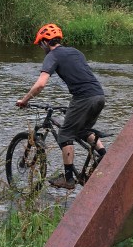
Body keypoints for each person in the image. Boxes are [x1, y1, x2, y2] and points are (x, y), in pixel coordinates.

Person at [16, 23, 106, 190]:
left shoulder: (52, 55)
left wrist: (25, 100)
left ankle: (69, 179)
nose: (41, 48)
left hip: (83, 98)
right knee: (83, 131)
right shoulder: (76, 52)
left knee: (64, 134)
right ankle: (105, 157)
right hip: (99, 96)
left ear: (45, 42)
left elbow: (40, 84)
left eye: (40, 44)